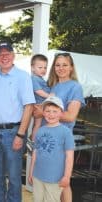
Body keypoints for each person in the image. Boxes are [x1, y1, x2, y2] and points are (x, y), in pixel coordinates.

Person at [34, 52, 85, 202]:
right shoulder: (53, 86)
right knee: (52, 183)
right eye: (57, 65)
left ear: (71, 67)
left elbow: (70, 116)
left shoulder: (75, 87)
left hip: (61, 140)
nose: (61, 68)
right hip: (46, 138)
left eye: (64, 65)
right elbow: (47, 110)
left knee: (63, 182)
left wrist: (46, 112)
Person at [0, 42, 35, 202]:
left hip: (14, 132)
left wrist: (20, 135)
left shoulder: (23, 76)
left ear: (13, 55)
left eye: (7, 53)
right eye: (0, 54)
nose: (4, 56)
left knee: (14, 178)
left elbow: (29, 107)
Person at [29, 96, 75, 202]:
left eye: (55, 111)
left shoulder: (66, 132)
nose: (51, 114)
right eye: (48, 111)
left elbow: (69, 157)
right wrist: (31, 172)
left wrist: (67, 177)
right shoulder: (40, 131)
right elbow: (35, 152)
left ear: (61, 113)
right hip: (38, 176)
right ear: (43, 113)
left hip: (55, 179)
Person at [30, 54, 51, 140]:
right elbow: (38, 91)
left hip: (43, 104)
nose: (43, 70)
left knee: (40, 124)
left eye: (45, 68)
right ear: (32, 68)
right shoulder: (34, 78)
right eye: (40, 67)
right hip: (39, 105)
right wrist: (49, 96)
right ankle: (33, 141)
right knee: (37, 124)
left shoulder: (40, 79)